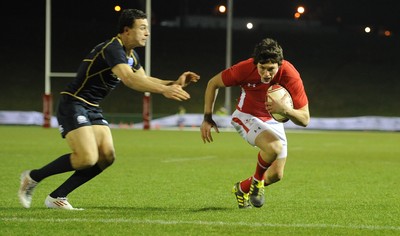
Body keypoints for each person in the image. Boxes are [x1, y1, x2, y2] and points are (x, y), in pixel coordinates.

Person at [18, 9, 200, 210]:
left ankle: (57, 197)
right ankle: (32, 177)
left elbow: (145, 80)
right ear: (126, 30)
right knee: (86, 158)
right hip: (73, 103)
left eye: (147, 28)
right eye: (142, 28)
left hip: (92, 107)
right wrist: (165, 90)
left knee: (107, 157)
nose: (147, 33)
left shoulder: (132, 55)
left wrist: (176, 82)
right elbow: (129, 79)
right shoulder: (113, 49)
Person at [200, 38, 309, 209]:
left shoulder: (290, 75)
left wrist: (285, 110)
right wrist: (207, 117)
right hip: (246, 116)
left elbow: (305, 119)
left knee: (276, 175)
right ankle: (257, 182)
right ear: (255, 63)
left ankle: (242, 189)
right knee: (274, 147)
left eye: (271, 69)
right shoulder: (244, 68)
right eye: (262, 68)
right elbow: (212, 83)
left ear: (279, 65)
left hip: (273, 120)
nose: (266, 74)